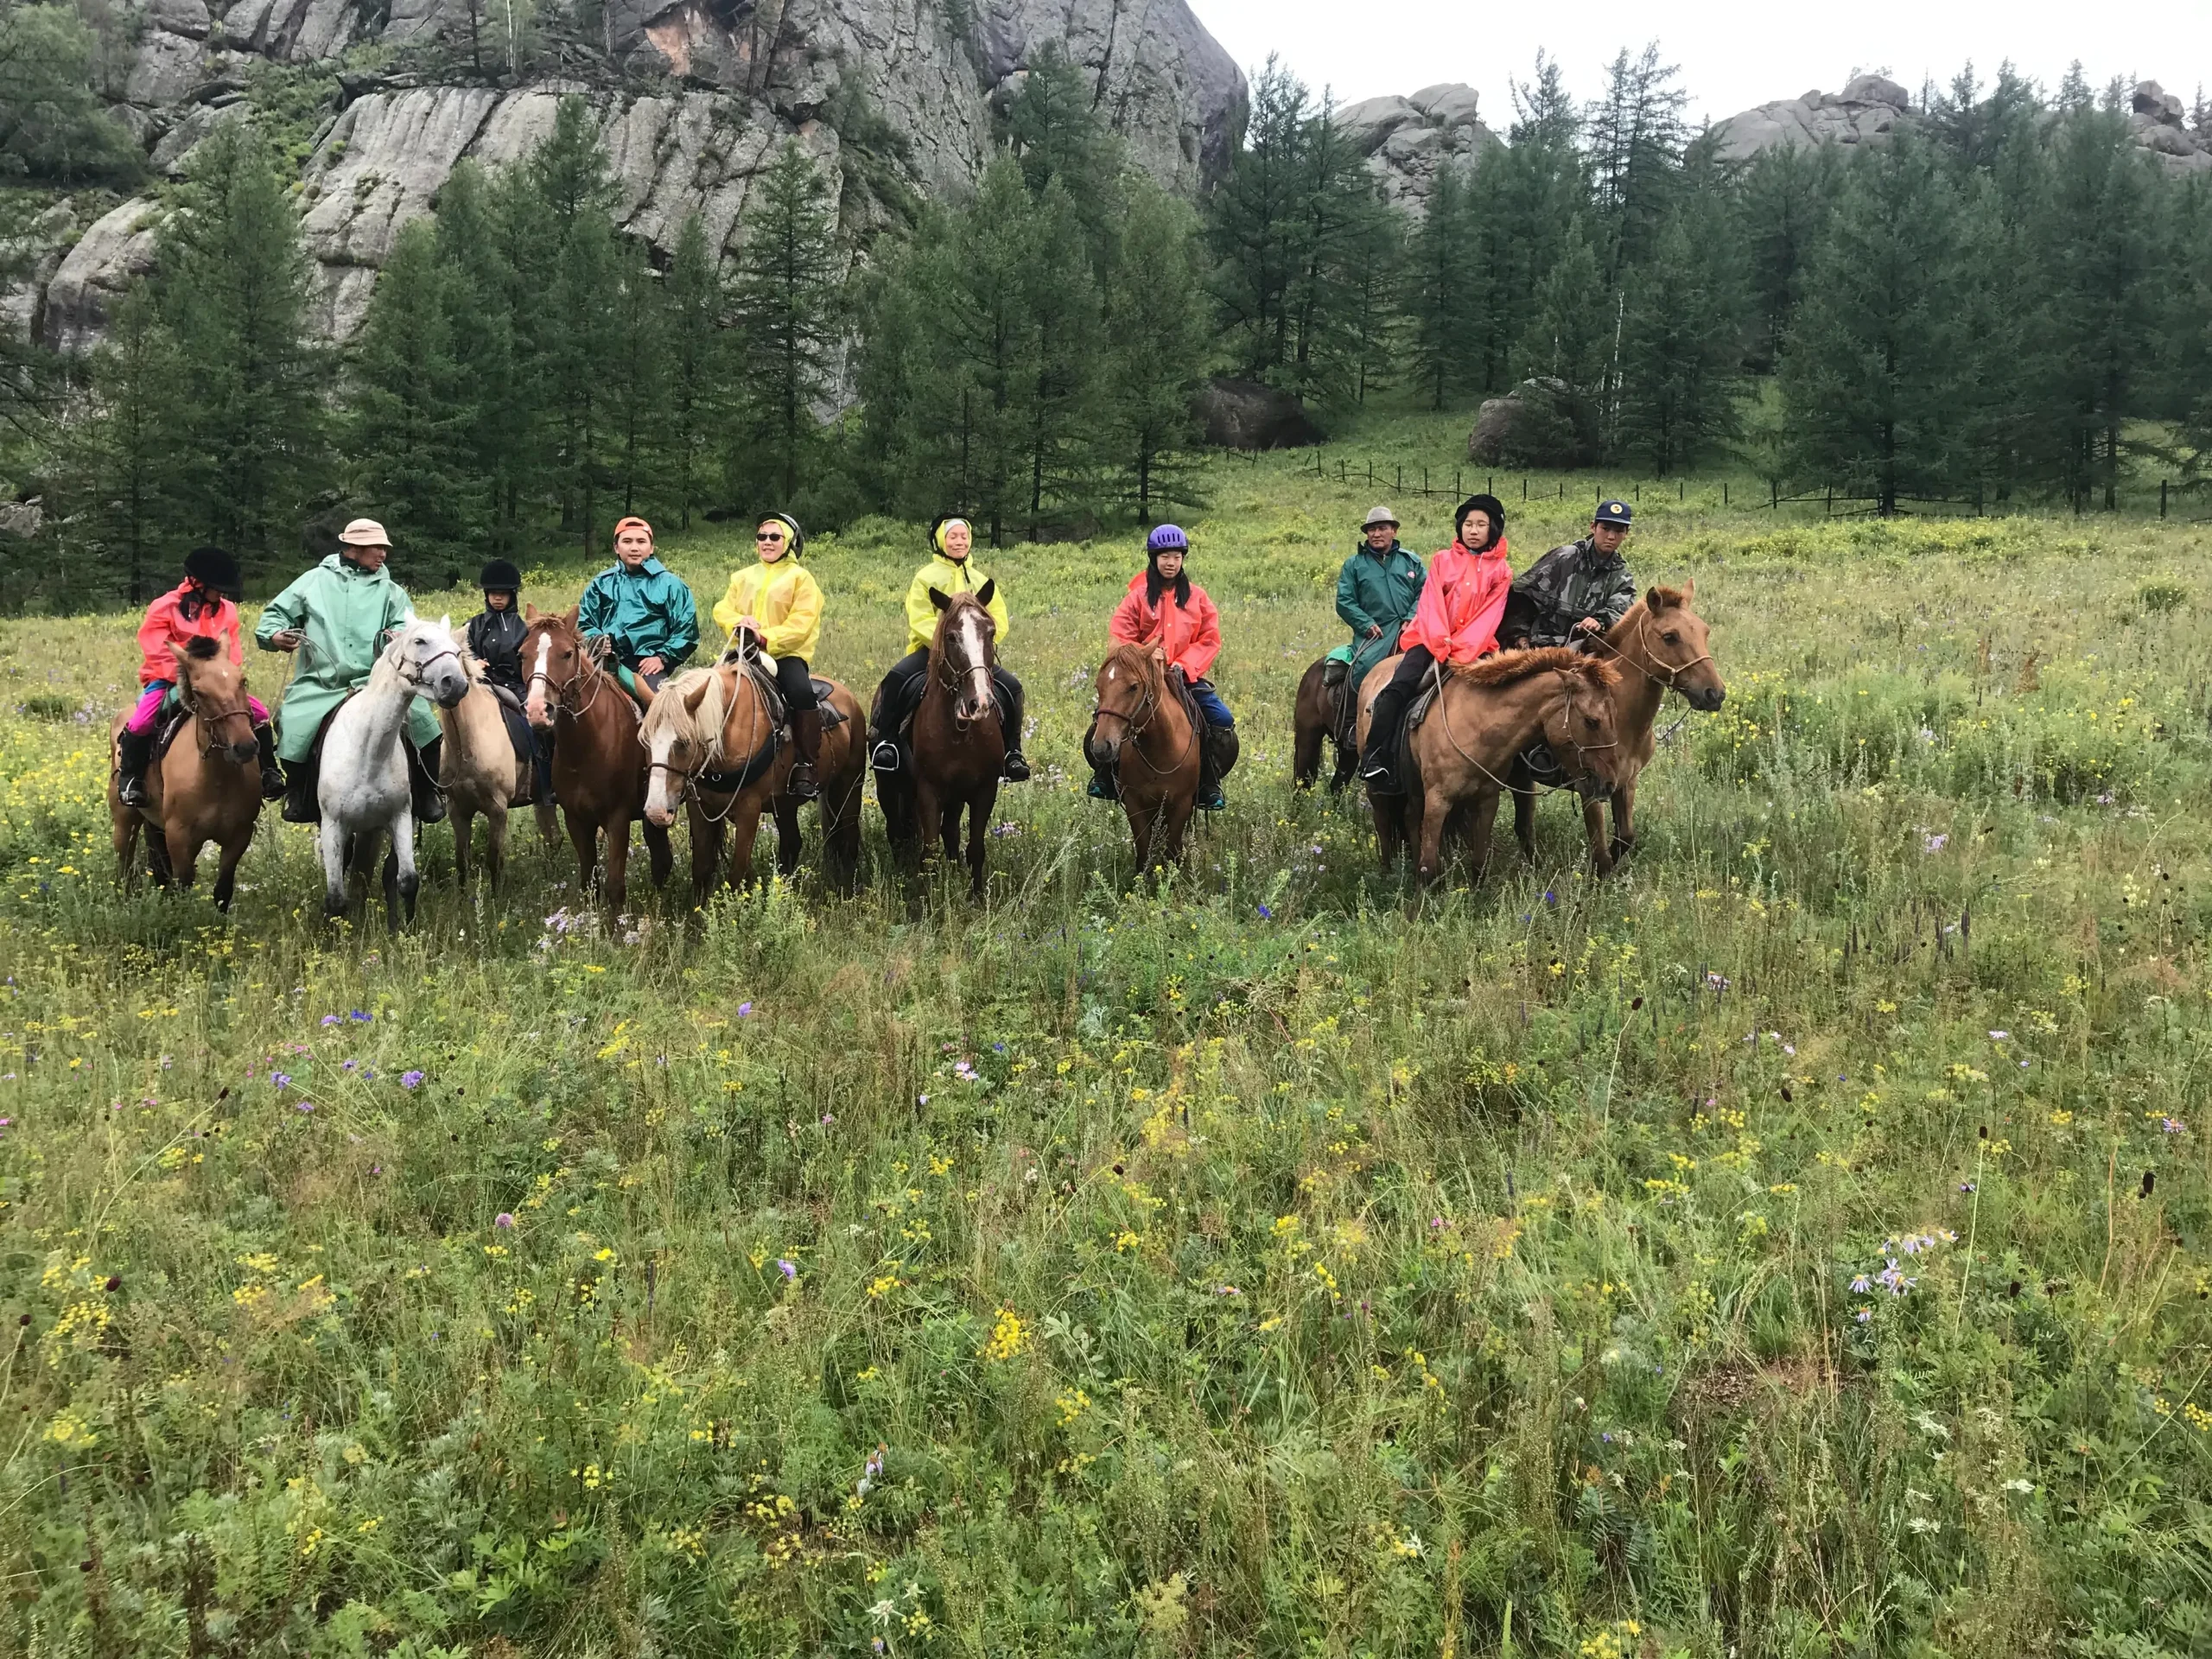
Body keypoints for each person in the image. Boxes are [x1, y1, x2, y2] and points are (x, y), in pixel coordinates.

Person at [256, 518, 445, 823]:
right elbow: (275, 614)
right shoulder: (313, 581)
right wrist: (274, 634)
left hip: (376, 682)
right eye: (377, 547)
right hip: (321, 684)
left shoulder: (391, 591)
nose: (383, 554)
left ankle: (427, 793)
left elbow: (404, 624)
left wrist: (397, 636)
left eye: (384, 548)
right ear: (354, 548)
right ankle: (300, 795)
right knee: (291, 722)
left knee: (425, 724)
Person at [1357, 493, 1513, 796]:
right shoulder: (1442, 560)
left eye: (1481, 524)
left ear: (1493, 529)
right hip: (1430, 638)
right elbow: (1431, 604)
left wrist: (1462, 649)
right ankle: (1374, 756)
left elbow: (1489, 615)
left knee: (1508, 700)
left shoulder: (1502, 571)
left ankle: (1506, 768)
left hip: (1476, 647)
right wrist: (1442, 642)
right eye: (1468, 524)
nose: (1473, 530)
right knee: (1398, 687)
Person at [117, 545, 285, 807]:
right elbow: (157, 649)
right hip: (169, 678)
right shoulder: (164, 607)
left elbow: (232, 650)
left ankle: (268, 772)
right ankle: (131, 779)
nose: (221, 594)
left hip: (217, 682)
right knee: (141, 721)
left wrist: (221, 675)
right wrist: (191, 674)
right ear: (196, 582)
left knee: (260, 715)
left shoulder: (227, 610)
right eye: (216, 588)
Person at [867, 515, 1029, 782]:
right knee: (895, 679)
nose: (959, 541)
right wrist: (945, 644)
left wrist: (976, 643)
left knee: (1012, 688)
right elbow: (919, 617)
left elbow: (997, 618)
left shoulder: (980, 580)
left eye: (964, 536)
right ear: (941, 541)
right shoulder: (925, 578)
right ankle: (887, 743)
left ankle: (1013, 752)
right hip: (931, 651)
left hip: (973, 656)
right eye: (953, 536)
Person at [1098, 524, 1233, 811]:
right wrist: (1143, 654)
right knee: (1105, 718)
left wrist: (1184, 664)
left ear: (1183, 559)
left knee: (1220, 719)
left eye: (1176, 556)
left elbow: (1209, 638)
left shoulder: (1198, 597)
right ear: (1154, 559)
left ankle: (1208, 782)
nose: (1171, 562)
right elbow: (1120, 635)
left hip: (1185, 677)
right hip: (1141, 679)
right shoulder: (1136, 597)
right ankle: (1107, 777)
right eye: (1164, 557)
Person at [712, 512, 826, 800]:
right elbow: (722, 609)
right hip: (743, 651)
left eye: (775, 537)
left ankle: (805, 765)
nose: (767, 542)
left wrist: (765, 638)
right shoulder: (742, 576)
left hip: (785, 655)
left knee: (801, 693)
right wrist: (739, 622)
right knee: (706, 689)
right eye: (762, 537)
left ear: (789, 542)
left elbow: (802, 622)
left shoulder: (802, 579)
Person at [577, 517, 698, 701]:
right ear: (616, 547)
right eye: (627, 541)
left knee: (661, 707)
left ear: (651, 548)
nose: (634, 548)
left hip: (646, 666)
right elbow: (584, 622)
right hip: (604, 662)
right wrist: (596, 639)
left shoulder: (670, 585)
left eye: (641, 542)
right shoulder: (600, 584)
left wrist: (663, 658)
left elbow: (686, 630)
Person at [466, 557, 552, 807]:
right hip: (481, 685)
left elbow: (532, 659)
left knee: (538, 727)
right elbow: (462, 650)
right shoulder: (474, 625)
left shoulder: (524, 628)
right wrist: (474, 662)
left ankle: (546, 782)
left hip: (513, 686)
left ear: (512, 595)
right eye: (493, 593)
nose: (497, 598)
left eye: (503, 594)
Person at [1505, 499, 1638, 649]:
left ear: (1626, 534)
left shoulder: (1621, 577)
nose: (1611, 536)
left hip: (1582, 649)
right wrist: (1519, 634)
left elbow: (1620, 611)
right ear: (1593, 527)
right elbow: (1523, 595)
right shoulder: (1564, 557)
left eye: (1619, 531)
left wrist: (1600, 621)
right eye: (1605, 529)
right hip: (1539, 643)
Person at [1332, 505, 1426, 690]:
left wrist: (1411, 618)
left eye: (1382, 528)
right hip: (1377, 633)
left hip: (1412, 629)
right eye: (1372, 530)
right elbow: (1345, 601)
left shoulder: (1411, 562)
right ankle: (1351, 707)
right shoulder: (1354, 565)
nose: (1376, 534)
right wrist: (1366, 624)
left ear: (1394, 531)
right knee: (1365, 669)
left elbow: (1426, 591)